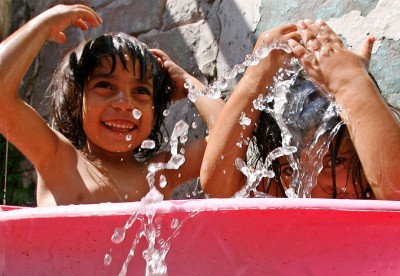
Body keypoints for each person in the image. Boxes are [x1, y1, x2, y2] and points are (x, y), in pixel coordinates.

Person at [0, 4, 224, 206]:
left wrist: (188, 84)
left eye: (140, 91)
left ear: (155, 112)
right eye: (105, 86)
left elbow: (230, 137)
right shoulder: (58, 157)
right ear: (77, 99)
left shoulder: (161, 171)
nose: (125, 103)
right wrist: (42, 25)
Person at [200, 20, 400, 200]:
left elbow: (395, 191)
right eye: (289, 169)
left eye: (335, 161)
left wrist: (351, 84)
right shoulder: (288, 195)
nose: (316, 188)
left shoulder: (374, 196)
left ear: (363, 150)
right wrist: (256, 76)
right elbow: (218, 186)